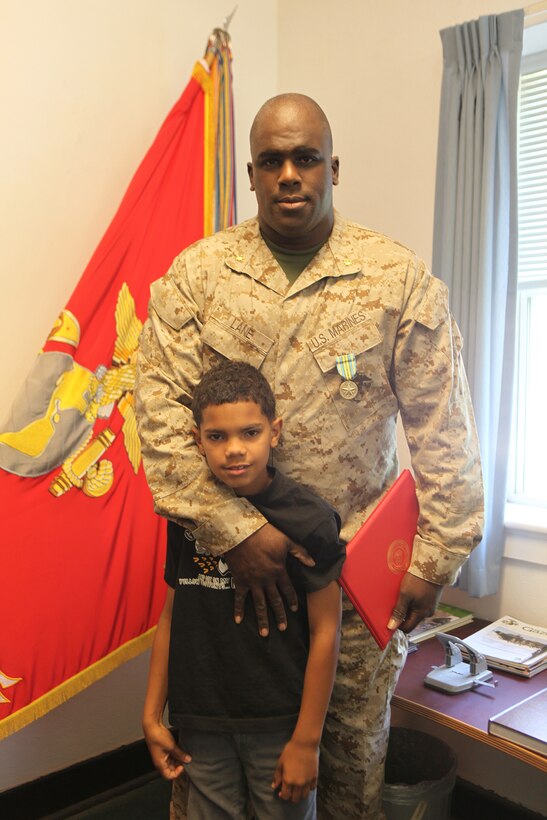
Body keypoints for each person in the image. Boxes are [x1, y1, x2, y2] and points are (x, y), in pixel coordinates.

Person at [135, 93, 484, 819]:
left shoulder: (395, 279)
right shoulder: (198, 277)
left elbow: (442, 425)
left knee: (349, 768)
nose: (289, 174)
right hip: (227, 581)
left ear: (333, 167)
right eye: (271, 161)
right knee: (219, 776)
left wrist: (433, 558)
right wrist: (237, 533)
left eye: (304, 158)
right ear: (253, 175)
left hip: (353, 583)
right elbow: (160, 420)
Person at [142, 360, 345, 818]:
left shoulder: (309, 519)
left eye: (249, 433)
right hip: (202, 719)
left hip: (279, 721)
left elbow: (327, 631)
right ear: (197, 440)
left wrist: (307, 740)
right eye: (217, 437)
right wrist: (152, 714)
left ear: (274, 432)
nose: (234, 450)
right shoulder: (188, 512)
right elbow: (171, 616)